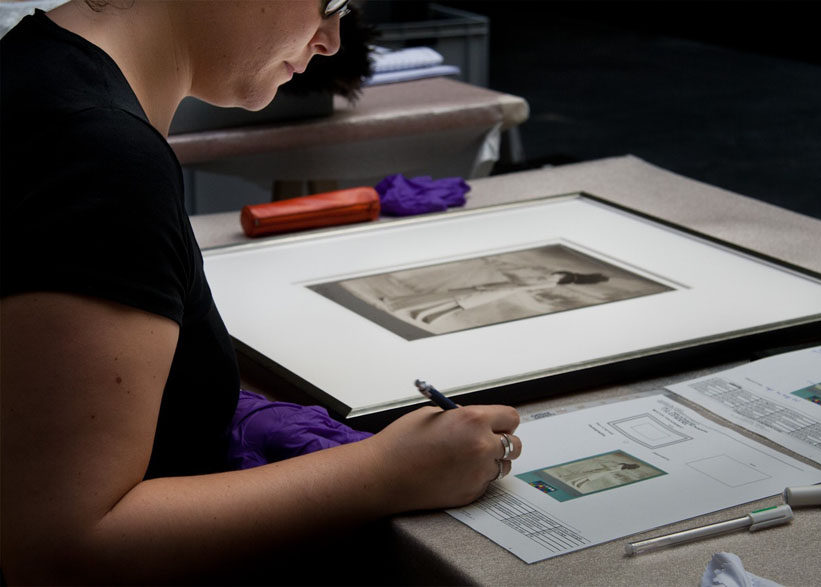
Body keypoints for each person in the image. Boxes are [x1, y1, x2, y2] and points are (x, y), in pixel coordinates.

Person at [0, 1, 522, 584]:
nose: (330, 40)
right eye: (330, 5)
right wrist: (383, 471)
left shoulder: (32, 62)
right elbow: (58, 551)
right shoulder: (98, 152)